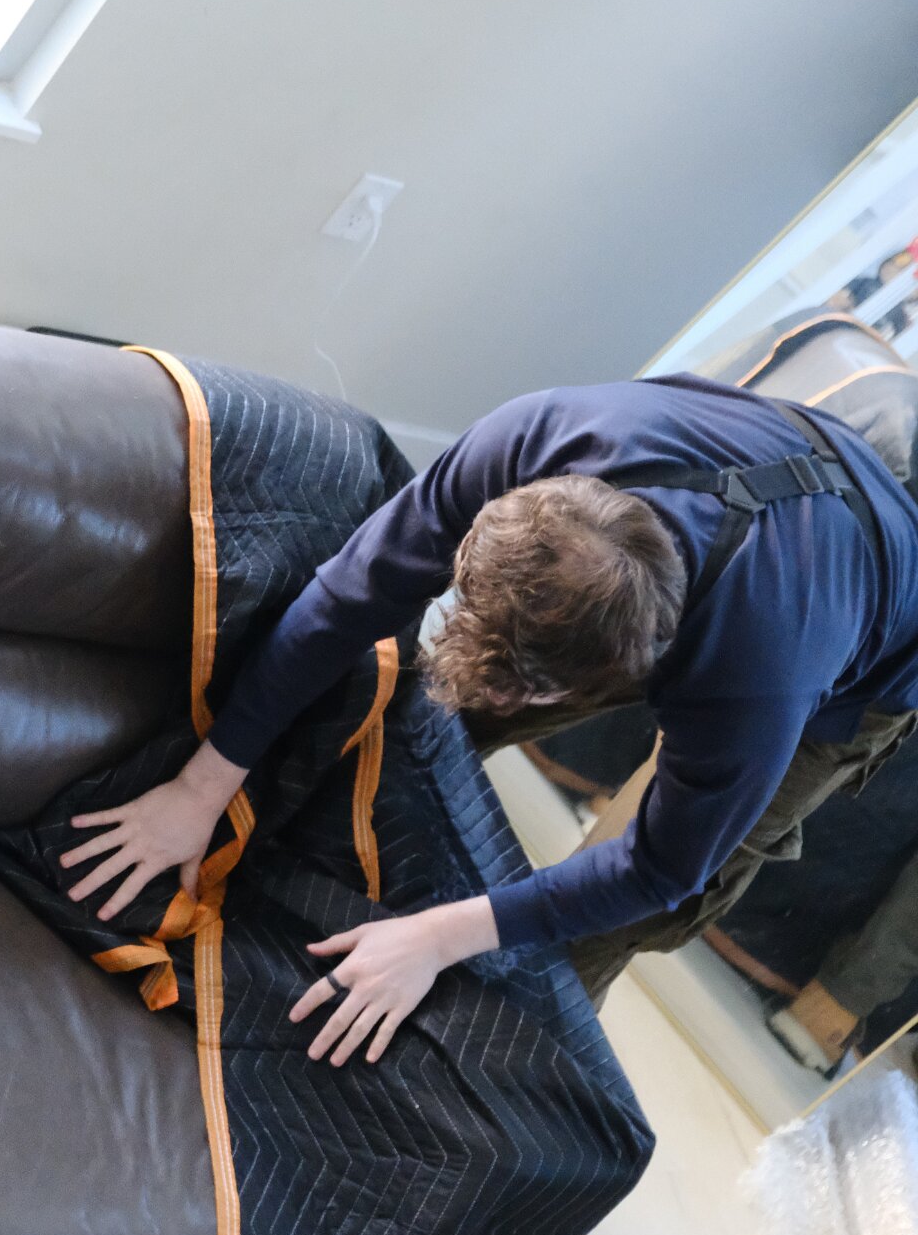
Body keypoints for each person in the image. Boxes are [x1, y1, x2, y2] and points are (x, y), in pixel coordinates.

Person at [59, 375, 918, 1069]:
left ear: (624, 678)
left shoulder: (755, 678)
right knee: (430, 719)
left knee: (623, 914)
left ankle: (509, 1055)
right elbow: (343, 603)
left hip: (869, 652)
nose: (504, 699)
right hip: (774, 474)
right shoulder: (536, 439)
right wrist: (203, 783)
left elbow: (660, 868)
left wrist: (443, 937)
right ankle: (340, 891)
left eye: (529, 692)